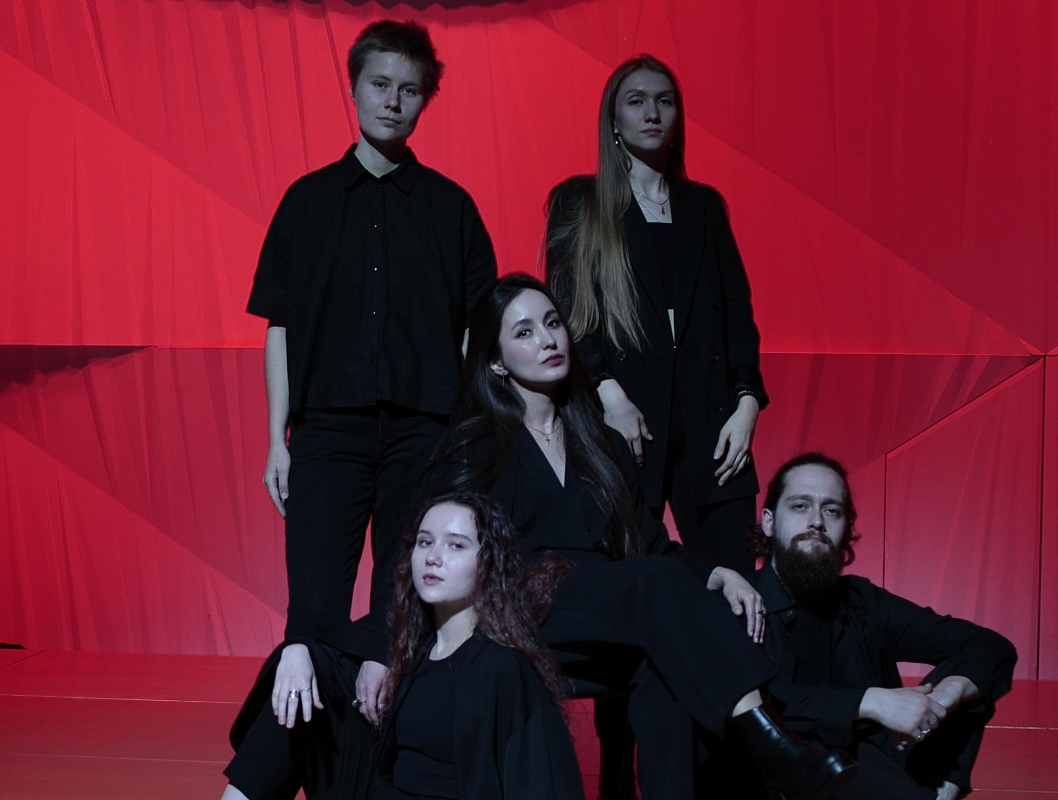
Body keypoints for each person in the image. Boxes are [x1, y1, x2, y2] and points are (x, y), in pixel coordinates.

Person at [389, 274, 853, 800]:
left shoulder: (602, 442)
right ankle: (771, 744)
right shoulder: (474, 446)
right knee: (655, 588)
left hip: (604, 608)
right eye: (524, 332)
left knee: (667, 664)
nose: (548, 339)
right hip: (519, 605)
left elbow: (649, 544)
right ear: (496, 361)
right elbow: (430, 545)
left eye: (553, 323)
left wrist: (716, 572)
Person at [246, 18, 498, 723]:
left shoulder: (451, 207)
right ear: (354, 88)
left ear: (426, 99)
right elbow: (280, 325)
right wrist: (277, 439)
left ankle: (393, 760)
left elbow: (477, 332)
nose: (393, 101)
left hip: (424, 432)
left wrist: (462, 431)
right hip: (327, 430)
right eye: (380, 84)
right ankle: (313, 757)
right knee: (313, 608)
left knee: (404, 611)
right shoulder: (307, 201)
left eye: (409, 90)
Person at [545, 54, 769, 578]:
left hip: (711, 422)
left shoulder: (704, 207)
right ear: (613, 118)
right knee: (628, 580)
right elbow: (572, 315)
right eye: (637, 101)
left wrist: (747, 404)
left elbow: (737, 315)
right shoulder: (580, 202)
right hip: (624, 419)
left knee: (735, 584)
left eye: (664, 101)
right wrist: (608, 394)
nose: (652, 113)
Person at [221, 491, 583, 800]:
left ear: (489, 563)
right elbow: (334, 662)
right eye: (425, 542)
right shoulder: (413, 652)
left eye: (456, 545)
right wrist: (297, 651)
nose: (433, 557)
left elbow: (541, 782)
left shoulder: (501, 666)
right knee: (301, 687)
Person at [748, 453, 1017, 800]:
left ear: (846, 527)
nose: (817, 521)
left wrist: (943, 697)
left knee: (970, 678)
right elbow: (758, 705)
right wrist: (868, 701)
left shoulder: (863, 600)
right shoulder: (742, 601)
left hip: (881, 761)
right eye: (800, 506)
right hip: (792, 776)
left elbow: (991, 646)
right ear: (769, 522)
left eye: (832, 510)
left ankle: (938, 791)